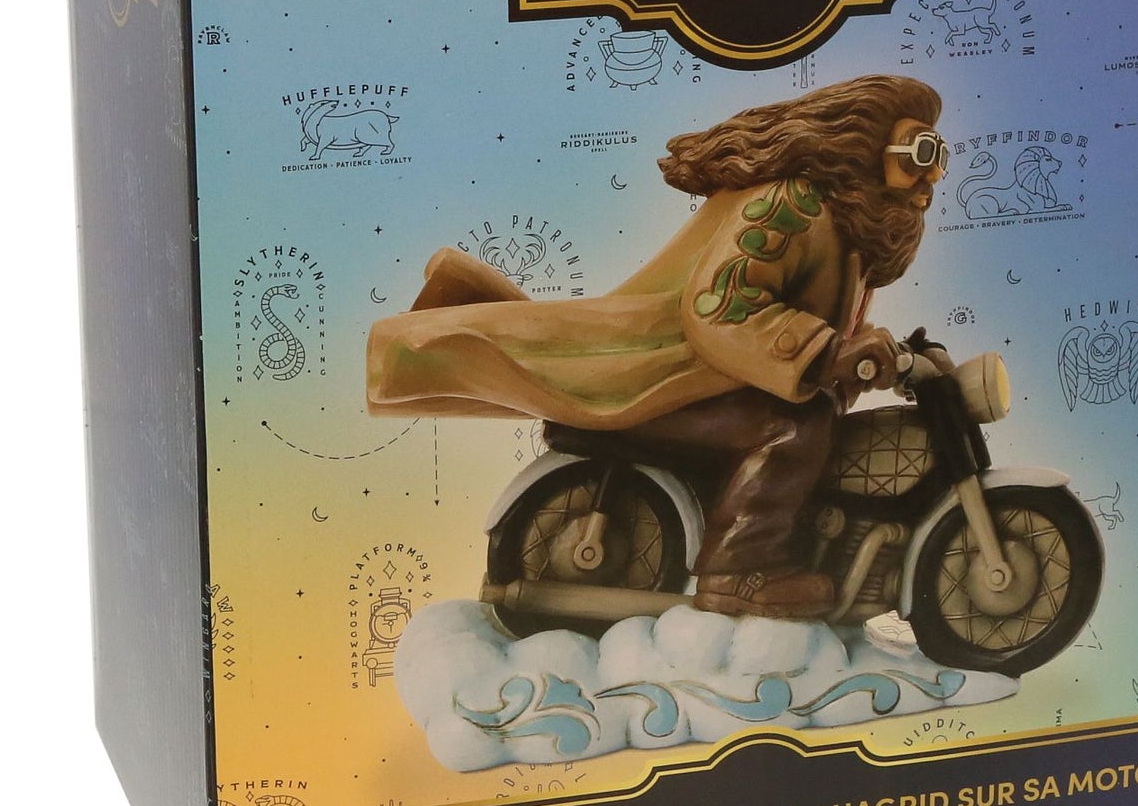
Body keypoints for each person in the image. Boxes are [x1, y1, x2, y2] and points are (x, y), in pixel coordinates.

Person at [365, 73, 947, 619]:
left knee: (819, 421)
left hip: (713, 378)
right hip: (669, 378)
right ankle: (739, 571)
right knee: (794, 428)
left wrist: (894, 353)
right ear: (862, 148)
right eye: (919, 155)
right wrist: (823, 354)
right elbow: (720, 308)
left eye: (941, 159)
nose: (931, 178)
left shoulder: (850, 232)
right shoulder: (791, 206)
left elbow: (818, 324)